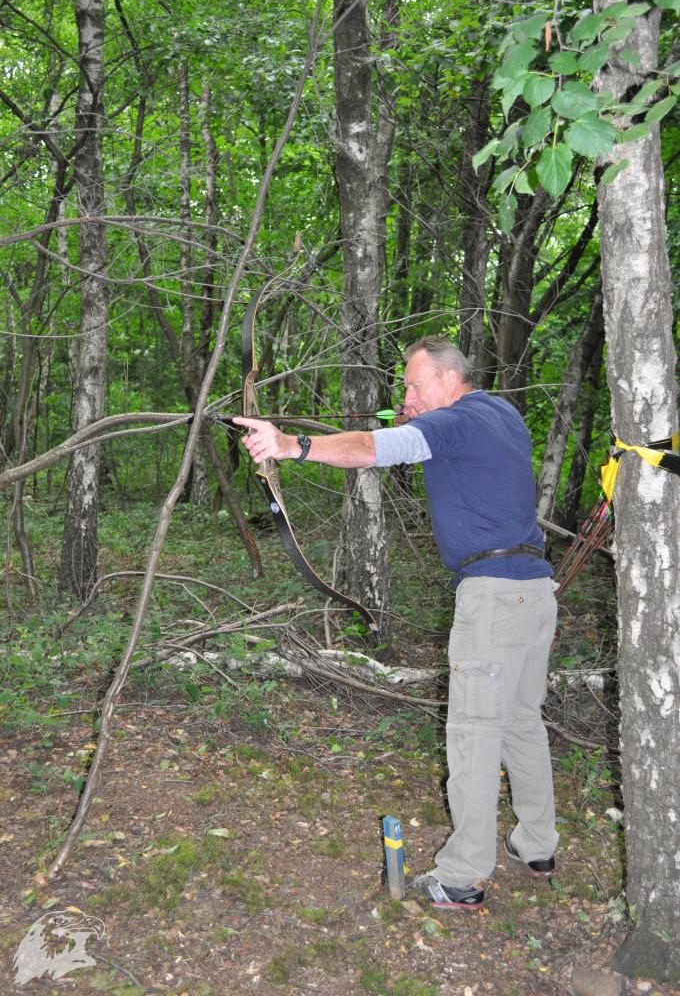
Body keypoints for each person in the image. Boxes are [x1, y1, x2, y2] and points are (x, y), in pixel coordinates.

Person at [234, 335, 558, 910]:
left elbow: (375, 449)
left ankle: (462, 876)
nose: (406, 394)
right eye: (404, 387)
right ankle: (537, 845)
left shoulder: (455, 422)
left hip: (493, 596)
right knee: (520, 725)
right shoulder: (501, 414)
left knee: (474, 736)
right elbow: (431, 442)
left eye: (415, 383)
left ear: (451, 379)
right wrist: (419, 416)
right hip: (535, 592)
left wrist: (290, 444)